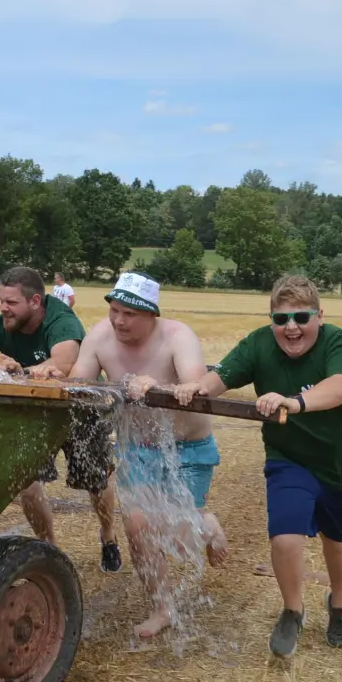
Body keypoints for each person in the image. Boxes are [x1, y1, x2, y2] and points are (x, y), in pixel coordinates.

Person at [172, 275, 342, 657]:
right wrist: (198, 388)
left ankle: (340, 605)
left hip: (341, 464)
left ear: (319, 316)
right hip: (288, 459)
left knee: (338, 536)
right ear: (271, 322)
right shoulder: (259, 344)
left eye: (301, 317)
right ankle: (292, 610)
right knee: (285, 536)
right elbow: (222, 376)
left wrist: (294, 402)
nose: (291, 327)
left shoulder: (341, 344)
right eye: (281, 320)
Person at [71, 272, 227, 640]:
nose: (119, 320)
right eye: (114, 310)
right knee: (137, 527)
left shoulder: (178, 336)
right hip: (136, 447)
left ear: (152, 314)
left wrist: (157, 386)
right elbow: (79, 380)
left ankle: (206, 525)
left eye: (129, 314)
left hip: (187, 448)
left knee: (172, 535)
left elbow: (195, 383)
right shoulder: (99, 336)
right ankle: (162, 608)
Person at [0, 266, 119, 568]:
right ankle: (48, 550)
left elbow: (64, 363)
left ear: (35, 302)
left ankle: (108, 534)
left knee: (96, 480)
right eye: (2, 301)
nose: (4, 308)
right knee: (25, 480)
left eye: (11, 302)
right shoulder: (2, 324)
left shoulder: (61, 320)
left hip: (80, 409)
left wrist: (20, 371)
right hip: (36, 409)